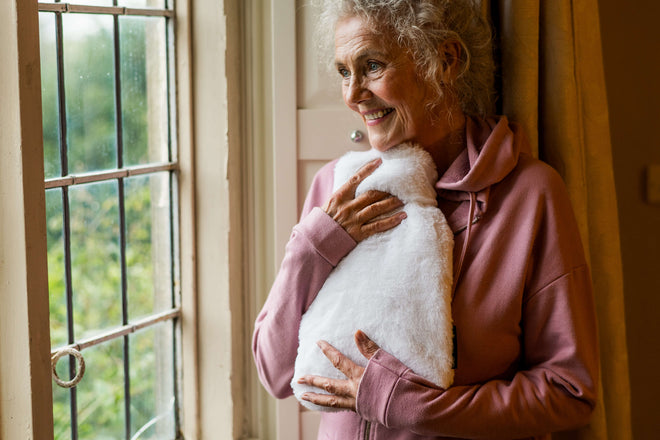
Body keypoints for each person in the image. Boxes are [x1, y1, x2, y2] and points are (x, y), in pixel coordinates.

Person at [252, 0, 599, 439]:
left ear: (445, 60)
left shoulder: (530, 195)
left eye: (372, 66)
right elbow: (274, 373)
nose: (352, 93)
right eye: (344, 71)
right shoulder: (335, 188)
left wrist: (416, 406)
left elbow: (569, 391)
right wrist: (311, 248)